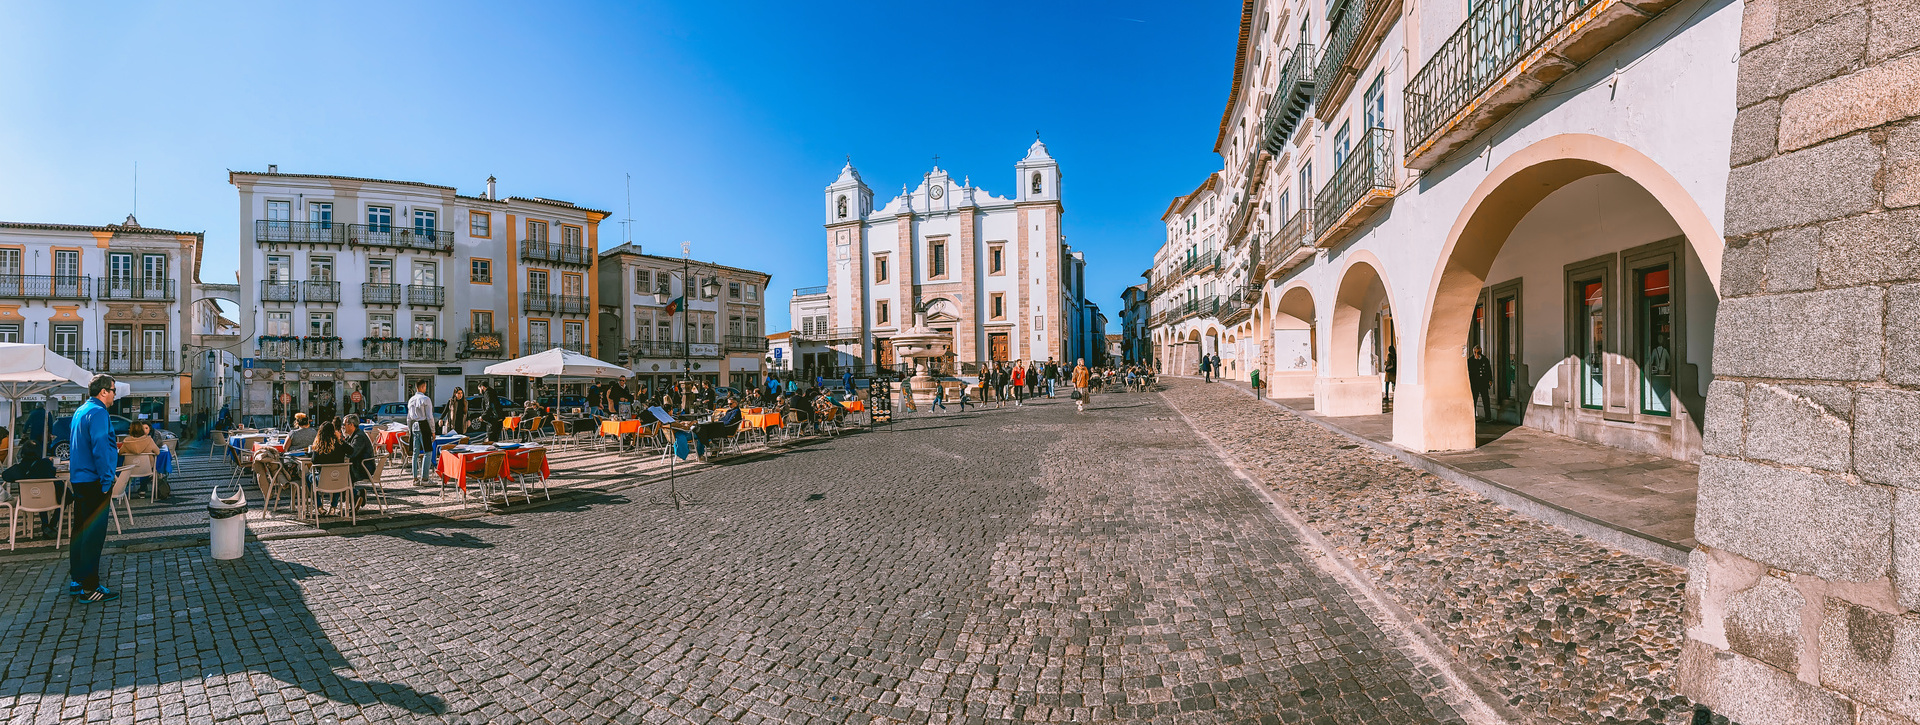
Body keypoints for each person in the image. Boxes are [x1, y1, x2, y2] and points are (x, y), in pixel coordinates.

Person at [68, 374, 120, 602]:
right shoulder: (99, 413)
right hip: (94, 481)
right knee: (93, 535)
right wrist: (107, 479)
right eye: (113, 390)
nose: (115, 395)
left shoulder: (80, 411)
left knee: (79, 530)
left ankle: (78, 580)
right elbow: (101, 448)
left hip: (79, 479)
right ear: (103, 392)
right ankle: (90, 587)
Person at [118, 421, 162, 497]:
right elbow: (157, 452)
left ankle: (120, 488)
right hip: (146, 469)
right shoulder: (149, 440)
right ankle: (143, 489)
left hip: (130, 470)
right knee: (151, 468)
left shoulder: (126, 442)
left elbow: (120, 453)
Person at [407, 380, 436, 483]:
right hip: (423, 425)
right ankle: (425, 478)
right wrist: (433, 431)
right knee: (428, 451)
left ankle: (415, 478)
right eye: (425, 387)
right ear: (423, 387)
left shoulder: (411, 400)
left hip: (414, 426)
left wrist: (409, 430)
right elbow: (429, 417)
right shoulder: (425, 399)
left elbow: (409, 418)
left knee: (415, 453)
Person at [1468, 346, 1494, 422]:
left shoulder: (1485, 360)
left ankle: (1488, 417)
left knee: (1486, 400)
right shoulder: (1470, 361)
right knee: (1474, 400)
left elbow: (1488, 370)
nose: (1477, 354)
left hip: (1483, 383)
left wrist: (1489, 380)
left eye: (1478, 352)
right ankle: (1472, 417)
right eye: (1475, 352)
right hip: (1475, 384)